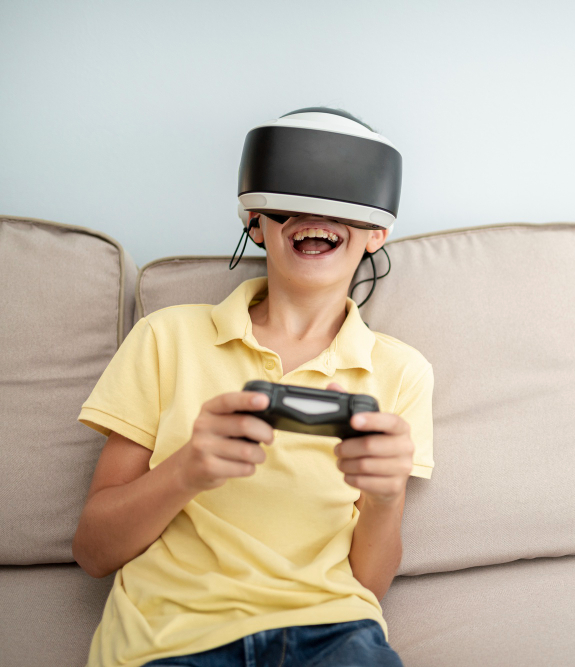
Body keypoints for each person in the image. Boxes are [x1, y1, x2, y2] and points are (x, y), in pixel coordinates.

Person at [71, 108, 433, 667]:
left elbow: (370, 583)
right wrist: (188, 469)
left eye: (339, 202)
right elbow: (94, 552)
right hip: (171, 636)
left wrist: (385, 499)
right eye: (292, 201)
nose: (314, 214)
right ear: (254, 222)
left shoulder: (402, 371)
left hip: (333, 635)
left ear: (377, 231)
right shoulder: (166, 337)